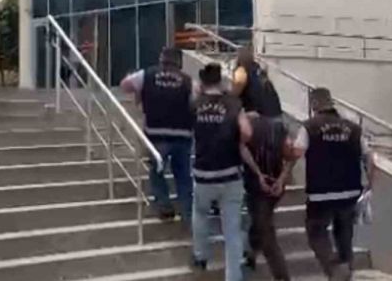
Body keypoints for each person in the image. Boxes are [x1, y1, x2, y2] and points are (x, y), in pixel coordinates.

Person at [290, 88, 375, 281]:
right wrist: (369, 185)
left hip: (321, 193)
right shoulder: (354, 129)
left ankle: (333, 268)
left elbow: (297, 153)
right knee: (345, 236)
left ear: (314, 104)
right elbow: (369, 158)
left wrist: (285, 158)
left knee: (316, 232)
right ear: (331, 102)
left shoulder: (310, 127)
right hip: (350, 192)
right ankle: (346, 271)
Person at [191, 63, 265, 281]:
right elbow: (247, 132)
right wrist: (234, 139)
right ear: (221, 82)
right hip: (230, 172)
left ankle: (201, 255)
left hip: (203, 172)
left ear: (202, 82)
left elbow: (189, 130)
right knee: (232, 228)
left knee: (200, 213)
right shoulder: (234, 104)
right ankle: (233, 276)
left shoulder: (195, 104)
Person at [120, 47, 194, 222]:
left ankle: (164, 205)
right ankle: (187, 210)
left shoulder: (147, 74)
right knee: (183, 174)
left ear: (162, 59)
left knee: (157, 170)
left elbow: (125, 85)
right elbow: (196, 101)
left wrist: (140, 92)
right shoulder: (187, 80)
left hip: (155, 133)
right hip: (182, 134)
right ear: (179, 62)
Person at [242, 111, 293, 281]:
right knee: (260, 220)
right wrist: (282, 179)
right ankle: (251, 253)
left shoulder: (246, 131)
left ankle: (281, 276)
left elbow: (241, 152)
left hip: (257, 186)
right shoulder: (278, 128)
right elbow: (291, 153)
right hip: (275, 183)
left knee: (266, 232)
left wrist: (258, 175)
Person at [232, 46, 282, 117]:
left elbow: (233, 95)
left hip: (262, 116)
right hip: (276, 114)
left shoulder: (242, 72)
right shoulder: (258, 71)